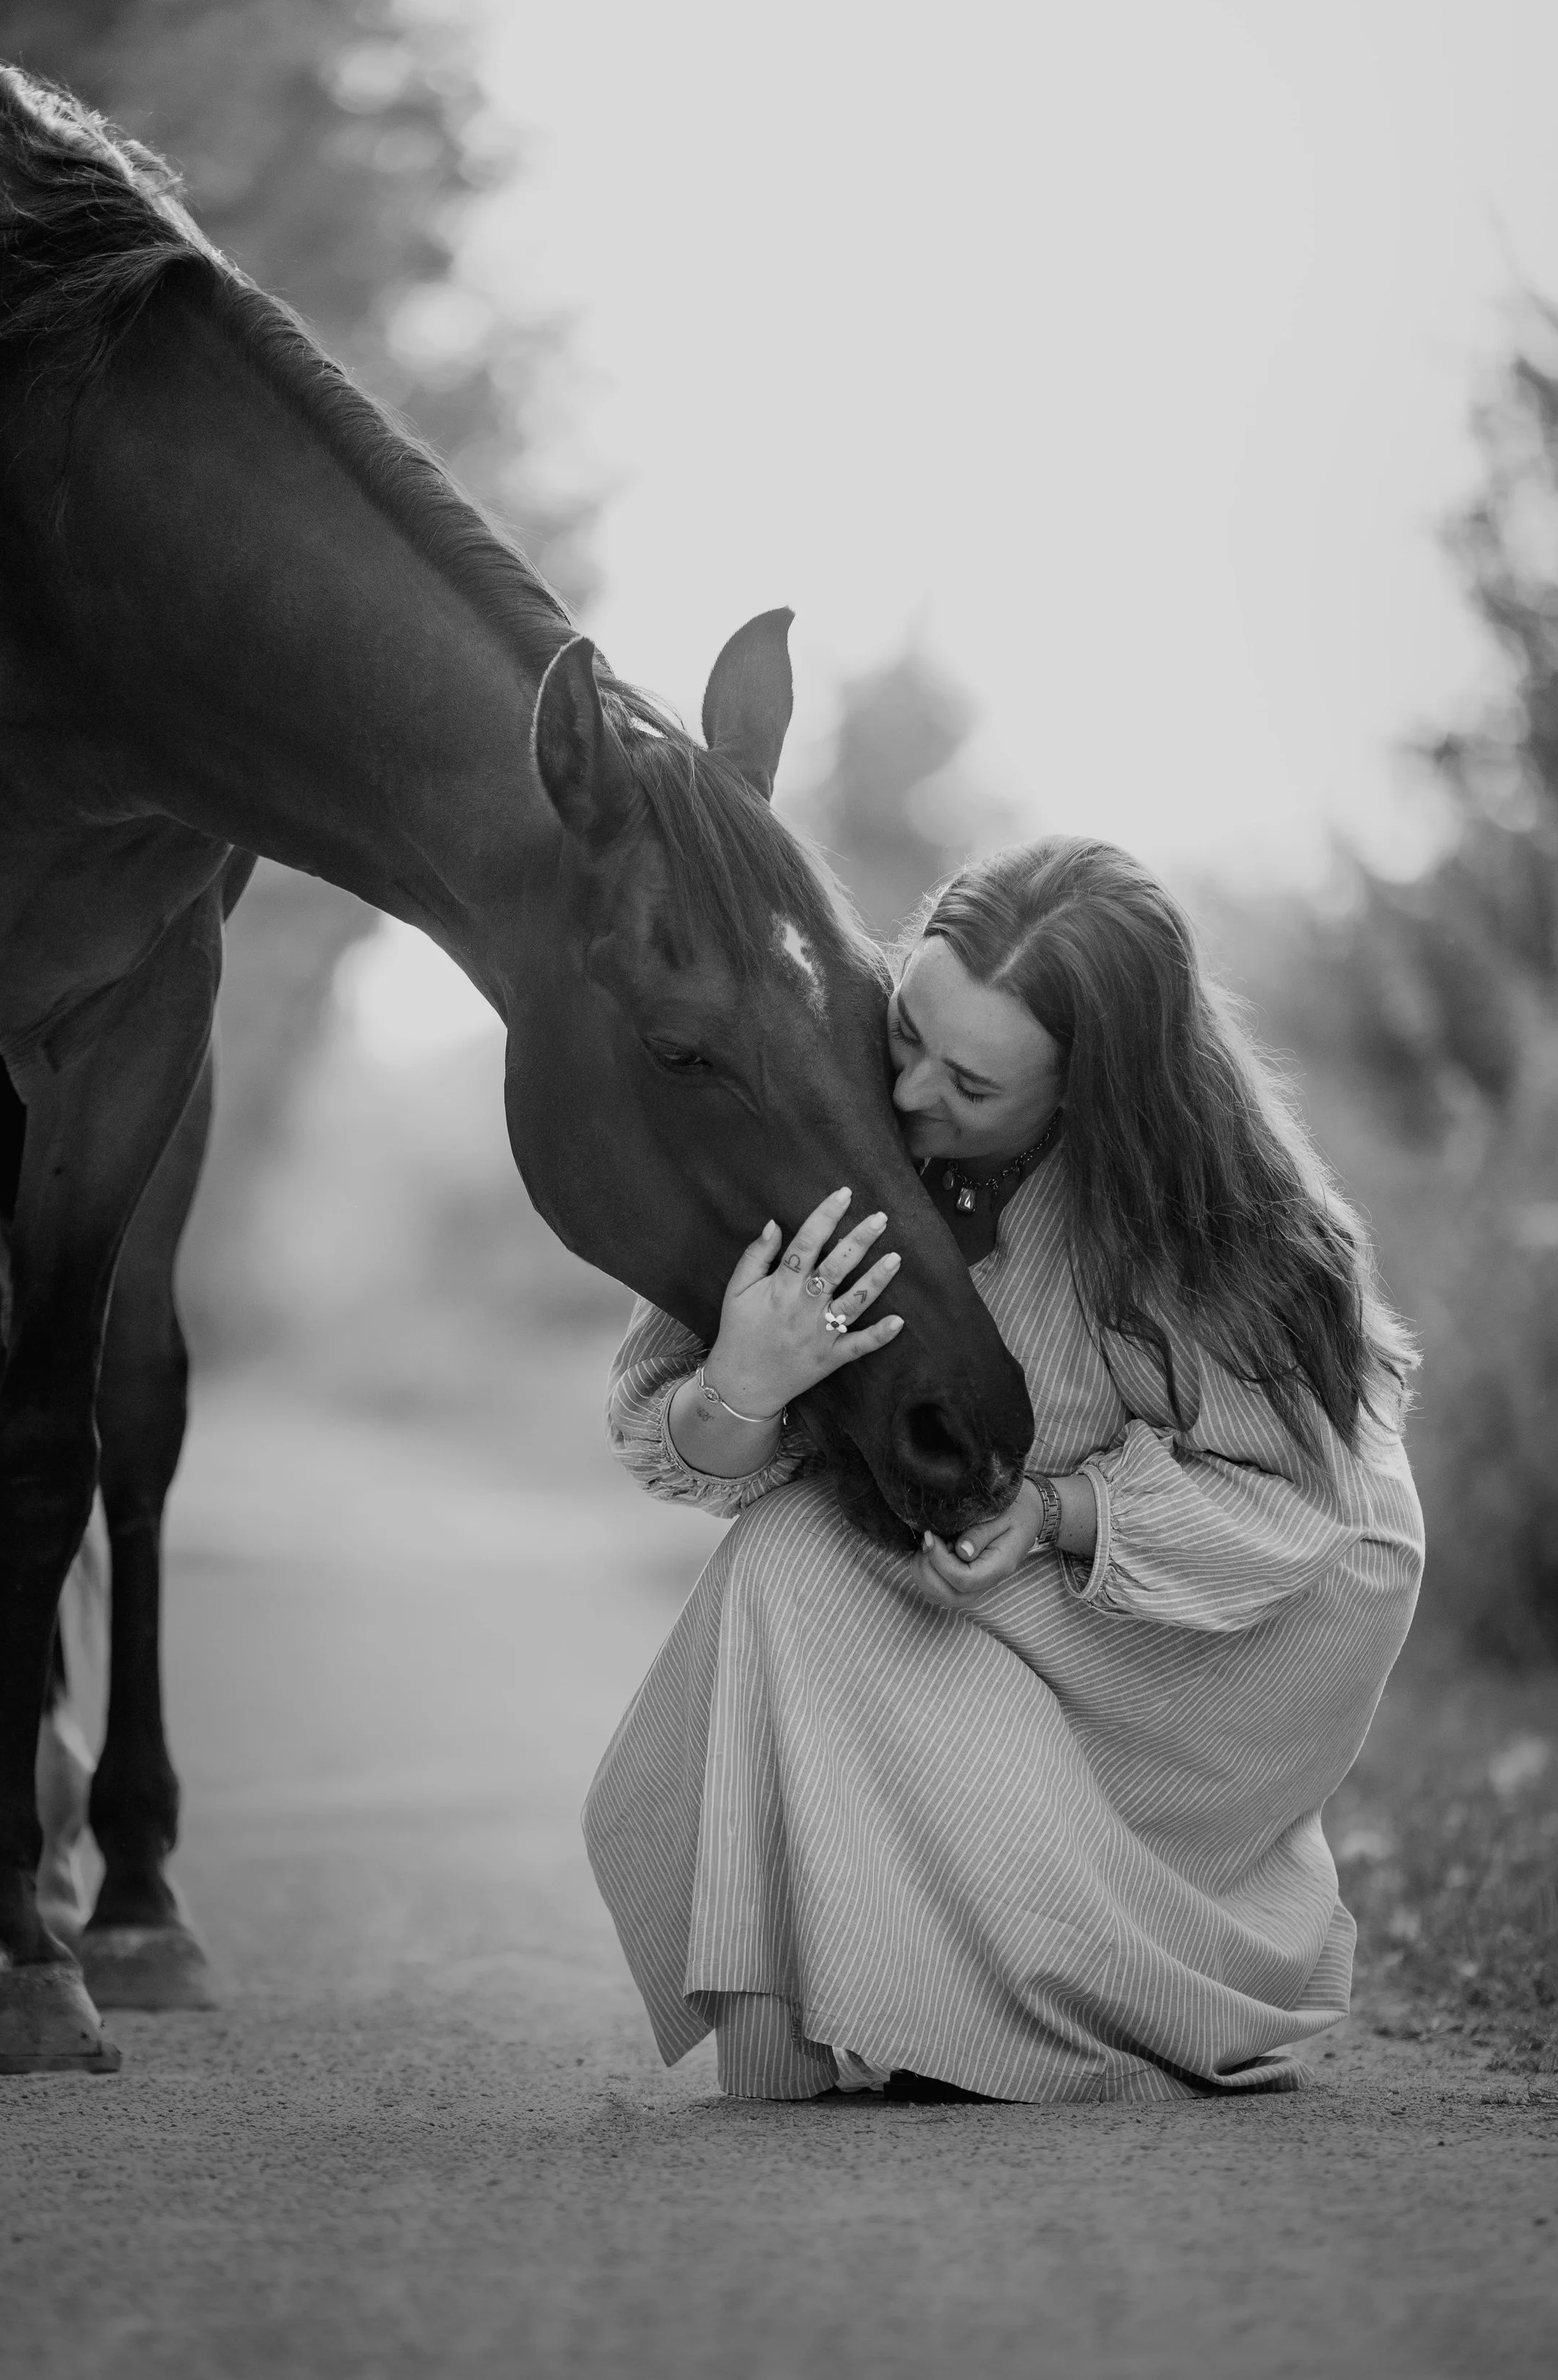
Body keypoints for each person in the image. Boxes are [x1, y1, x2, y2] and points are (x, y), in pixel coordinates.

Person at [583, 838, 1424, 2103]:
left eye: (970, 1083)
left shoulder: (1201, 1215)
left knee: (833, 1567)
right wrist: (745, 1381)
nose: (914, 1090)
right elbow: (683, 1453)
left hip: (1246, 1615)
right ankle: (883, 1999)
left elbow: (1308, 1507)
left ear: (1091, 1091)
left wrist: (1060, 1510)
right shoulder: (832, 1093)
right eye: (908, 1029)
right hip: (1010, 1558)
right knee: (791, 1559)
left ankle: (1091, 1981)